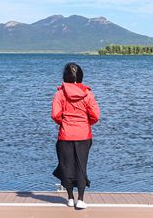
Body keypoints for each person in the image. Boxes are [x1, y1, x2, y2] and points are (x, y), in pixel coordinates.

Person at [51, 62, 100, 210]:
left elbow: (55, 115)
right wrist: (85, 123)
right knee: (81, 167)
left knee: (67, 166)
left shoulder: (60, 94)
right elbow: (95, 116)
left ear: (65, 76)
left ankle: (70, 198)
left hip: (65, 135)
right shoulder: (88, 94)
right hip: (84, 134)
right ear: (80, 76)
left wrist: (65, 122)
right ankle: (81, 200)